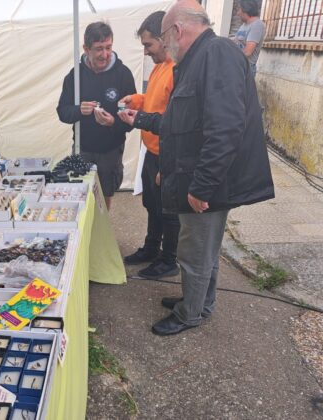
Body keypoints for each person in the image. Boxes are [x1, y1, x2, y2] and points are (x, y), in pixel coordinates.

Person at [120, 0, 274, 335]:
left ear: (176, 30)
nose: (163, 46)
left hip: (208, 182)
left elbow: (226, 128)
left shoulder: (216, 55)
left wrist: (201, 186)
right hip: (201, 176)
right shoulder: (197, 60)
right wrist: (141, 119)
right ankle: (198, 302)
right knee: (204, 250)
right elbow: (180, 123)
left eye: (162, 38)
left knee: (194, 252)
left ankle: (190, 313)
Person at [119, 11, 181, 280]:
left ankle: (168, 260)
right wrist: (136, 99)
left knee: (168, 211)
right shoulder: (159, 67)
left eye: (148, 45)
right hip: (152, 151)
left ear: (164, 39)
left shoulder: (176, 70)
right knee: (152, 205)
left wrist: (168, 164)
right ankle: (150, 249)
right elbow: (154, 100)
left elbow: (177, 121)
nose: (146, 51)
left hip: (168, 154)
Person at [57, 22, 136, 210]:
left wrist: (113, 122)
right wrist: (78, 110)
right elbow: (62, 112)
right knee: (82, 194)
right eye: (99, 49)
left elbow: (132, 119)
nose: (105, 54)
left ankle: (102, 229)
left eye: (108, 47)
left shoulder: (123, 74)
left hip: (111, 150)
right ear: (86, 49)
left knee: (106, 193)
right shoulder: (75, 76)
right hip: (83, 148)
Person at [233, 0, 266, 77]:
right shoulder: (244, 25)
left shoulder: (257, 25)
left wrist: (230, 56)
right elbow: (235, 42)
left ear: (245, 9)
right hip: (238, 66)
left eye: (239, 9)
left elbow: (248, 52)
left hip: (246, 68)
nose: (237, 13)